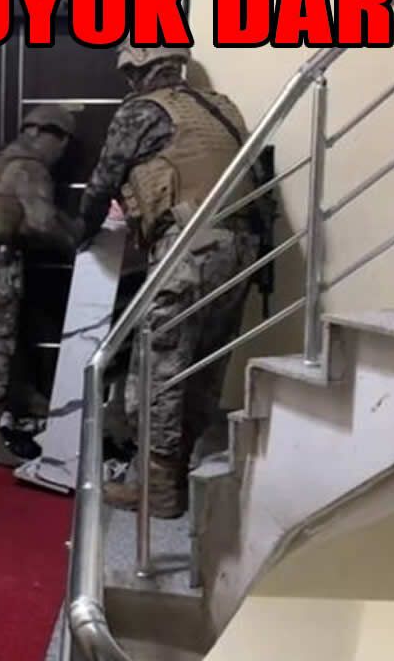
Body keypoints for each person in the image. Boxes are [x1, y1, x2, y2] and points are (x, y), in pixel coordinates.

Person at [77, 44, 257, 519]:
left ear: (138, 69)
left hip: (189, 249)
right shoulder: (222, 108)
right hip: (241, 247)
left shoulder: (140, 112)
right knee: (203, 364)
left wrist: (81, 233)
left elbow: (102, 182)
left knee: (160, 367)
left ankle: (155, 490)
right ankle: (176, 473)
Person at [0, 105, 84, 467]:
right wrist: (78, 241)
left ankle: (12, 406)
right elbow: (41, 224)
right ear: (53, 137)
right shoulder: (30, 169)